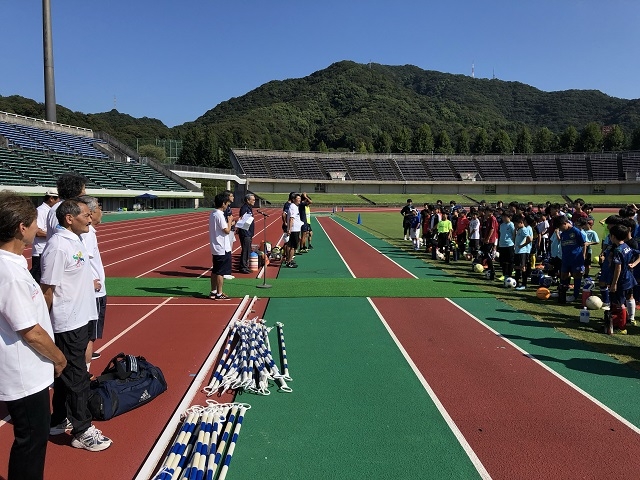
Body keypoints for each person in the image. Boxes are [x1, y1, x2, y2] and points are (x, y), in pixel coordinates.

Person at [0, 192, 67, 480]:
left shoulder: (13, 264)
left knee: (32, 438)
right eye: (35, 223)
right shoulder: (10, 272)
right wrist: (59, 358)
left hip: (28, 371)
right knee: (31, 440)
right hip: (23, 374)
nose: (39, 228)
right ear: (21, 228)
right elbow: (30, 330)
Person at [40, 198, 112, 451]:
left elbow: (69, 279)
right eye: (85, 214)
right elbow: (48, 289)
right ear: (69, 219)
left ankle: (59, 419)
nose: (90, 218)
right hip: (68, 321)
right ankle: (82, 430)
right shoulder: (58, 246)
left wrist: (87, 284)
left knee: (66, 376)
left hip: (80, 317)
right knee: (77, 376)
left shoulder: (76, 240)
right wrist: (43, 324)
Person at [78, 196, 107, 364]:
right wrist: (90, 283)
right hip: (94, 292)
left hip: (94, 290)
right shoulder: (88, 234)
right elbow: (84, 260)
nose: (100, 212)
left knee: (89, 335)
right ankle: (85, 375)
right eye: (98, 208)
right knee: (90, 336)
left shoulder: (89, 232)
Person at [608, 224, 638, 333]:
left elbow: (618, 268)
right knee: (627, 299)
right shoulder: (627, 247)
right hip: (629, 278)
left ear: (613, 236)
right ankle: (626, 320)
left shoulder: (618, 250)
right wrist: (634, 264)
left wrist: (614, 283)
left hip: (622, 280)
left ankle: (621, 327)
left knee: (620, 303)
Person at [45, 172, 87, 240]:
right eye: (83, 189)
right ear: (75, 190)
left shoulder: (68, 207)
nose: (85, 193)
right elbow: (61, 237)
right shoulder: (59, 210)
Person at [29, 188, 58, 283]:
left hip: (46, 250)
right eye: (57, 198)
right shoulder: (41, 211)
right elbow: (37, 232)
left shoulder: (50, 211)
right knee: (36, 279)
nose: (59, 201)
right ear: (51, 199)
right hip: (40, 251)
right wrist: (54, 235)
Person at [209, 192, 234, 300]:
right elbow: (227, 231)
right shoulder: (219, 215)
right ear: (223, 204)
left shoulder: (213, 213)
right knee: (220, 272)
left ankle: (213, 291)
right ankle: (219, 293)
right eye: (227, 204)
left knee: (215, 270)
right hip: (222, 247)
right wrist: (230, 222)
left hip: (216, 246)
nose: (227, 206)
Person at [558, 215, 587, 303]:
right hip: (566, 259)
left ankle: (575, 295)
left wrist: (583, 256)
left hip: (576, 259)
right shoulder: (563, 234)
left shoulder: (575, 231)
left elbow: (583, 244)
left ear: (565, 223)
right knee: (563, 276)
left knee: (577, 276)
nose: (560, 229)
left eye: (560, 227)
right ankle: (562, 293)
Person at [513, 214, 533, 290]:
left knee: (522, 267)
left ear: (521, 222)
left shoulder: (524, 230)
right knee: (517, 267)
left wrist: (522, 245)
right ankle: (517, 282)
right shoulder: (519, 230)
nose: (515, 225)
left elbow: (530, 239)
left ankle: (524, 284)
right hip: (517, 251)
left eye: (516, 224)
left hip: (522, 252)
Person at [237, 193, 255, 274]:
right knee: (245, 250)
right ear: (248, 200)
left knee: (247, 250)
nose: (254, 201)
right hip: (245, 232)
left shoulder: (249, 208)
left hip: (249, 232)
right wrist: (247, 233)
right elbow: (243, 221)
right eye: (253, 200)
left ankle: (245, 266)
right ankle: (243, 267)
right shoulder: (244, 208)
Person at [285, 193, 303, 268]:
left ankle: (289, 260)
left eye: (300, 198)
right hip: (294, 229)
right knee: (293, 246)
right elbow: (291, 218)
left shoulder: (294, 206)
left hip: (295, 228)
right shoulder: (293, 207)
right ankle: (289, 261)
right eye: (298, 199)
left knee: (291, 245)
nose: (299, 200)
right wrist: (289, 229)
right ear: (293, 200)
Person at [480, 208, 499, 280]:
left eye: (487, 211)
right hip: (487, 239)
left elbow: (492, 229)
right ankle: (490, 268)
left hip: (491, 240)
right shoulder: (488, 219)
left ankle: (492, 269)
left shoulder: (492, 219)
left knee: (488, 254)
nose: (485, 212)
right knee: (485, 253)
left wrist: (488, 238)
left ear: (490, 212)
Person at [498, 211, 515, 281]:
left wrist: (514, 243)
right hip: (502, 245)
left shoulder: (511, 224)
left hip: (509, 244)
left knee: (510, 261)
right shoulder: (502, 225)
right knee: (503, 261)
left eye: (505, 217)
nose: (504, 218)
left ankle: (509, 274)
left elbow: (513, 234)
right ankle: (504, 274)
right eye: (503, 217)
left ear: (509, 217)